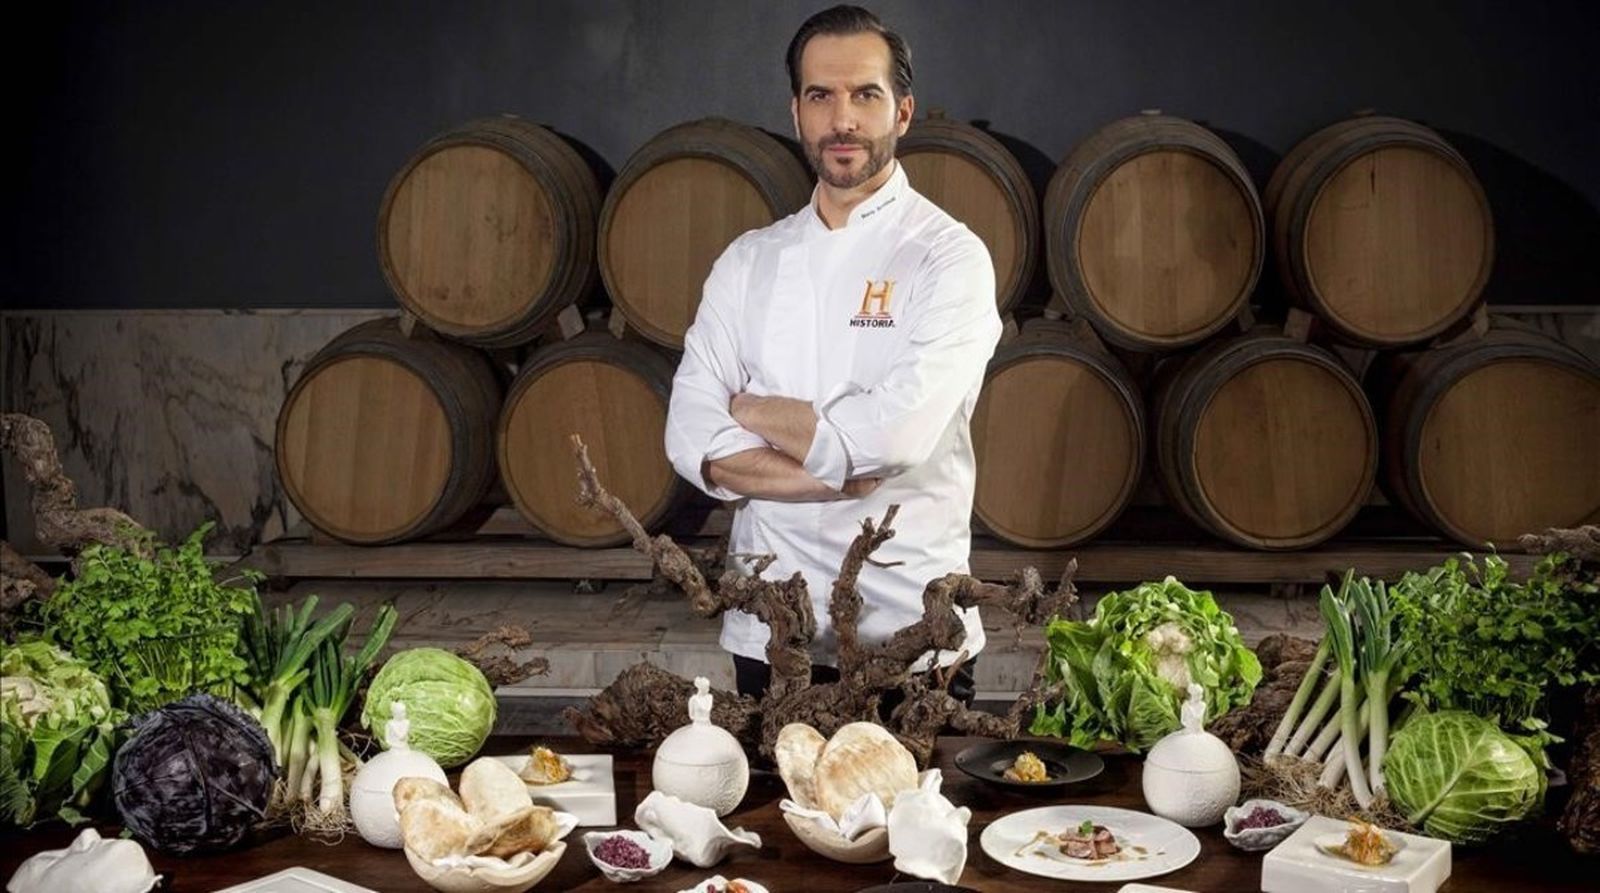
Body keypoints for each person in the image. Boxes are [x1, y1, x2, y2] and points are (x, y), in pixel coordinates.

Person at [663, 4, 1002, 703]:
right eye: (821, 95)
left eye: (865, 95)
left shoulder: (949, 257)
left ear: (902, 112)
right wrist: (842, 472)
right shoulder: (749, 261)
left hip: (912, 631)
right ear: (796, 112)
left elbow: (893, 439)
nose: (842, 119)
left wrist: (751, 409)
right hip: (770, 628)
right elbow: (690, 439)